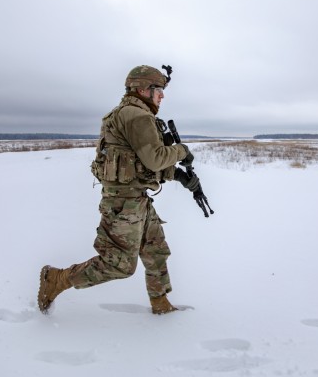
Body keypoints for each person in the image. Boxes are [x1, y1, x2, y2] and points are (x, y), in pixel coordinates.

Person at [37, 65, 200, 315]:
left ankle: (161, 304)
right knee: (119, 266)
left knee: (156, 251)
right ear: (143, 89)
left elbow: (138, 163)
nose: (162, 96)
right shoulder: (137, 116)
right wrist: (182, 151)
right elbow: (155, 158)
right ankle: (57, 279)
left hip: (136, 201)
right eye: (159, 90)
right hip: (124, 205)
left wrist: (178, 175)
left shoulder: (125, 113)